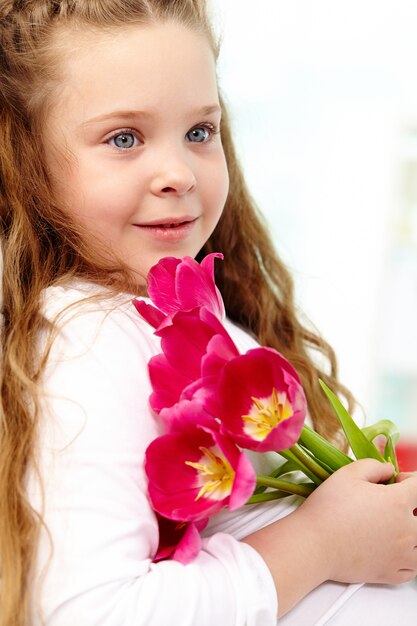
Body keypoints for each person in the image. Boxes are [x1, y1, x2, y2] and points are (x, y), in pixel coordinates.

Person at [0, 1, 416, 625]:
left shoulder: (154, 312)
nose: (178, 173)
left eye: (199, 132)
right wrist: (326, 542)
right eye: (123, 138)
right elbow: (93, 612)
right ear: (25, 164)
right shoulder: (89, 335)